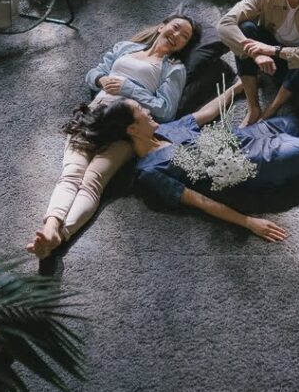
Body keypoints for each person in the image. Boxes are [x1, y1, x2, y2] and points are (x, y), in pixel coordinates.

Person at [76, 86, 299, 241]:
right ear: (131, 129)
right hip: (259, 161)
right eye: (141, 111)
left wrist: (238, 88)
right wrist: (248, 222)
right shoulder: (150, 172)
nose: (148, 110)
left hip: (254, 133)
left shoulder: (165, 128)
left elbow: (205, 113)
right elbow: (199, 201)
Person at [26, 14, 198, 258]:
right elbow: (93, 73)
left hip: (129, 128)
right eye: (176, 28)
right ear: (162, 26)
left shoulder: (174, 68)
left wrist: (129, 88)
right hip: (96, 115)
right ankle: (51, 227)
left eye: (185, 37)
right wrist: (101, 79)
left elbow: (166, 111)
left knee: (93, 180)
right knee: (72, 172)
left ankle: (59, 236)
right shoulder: (126, 48)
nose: (177, 36)